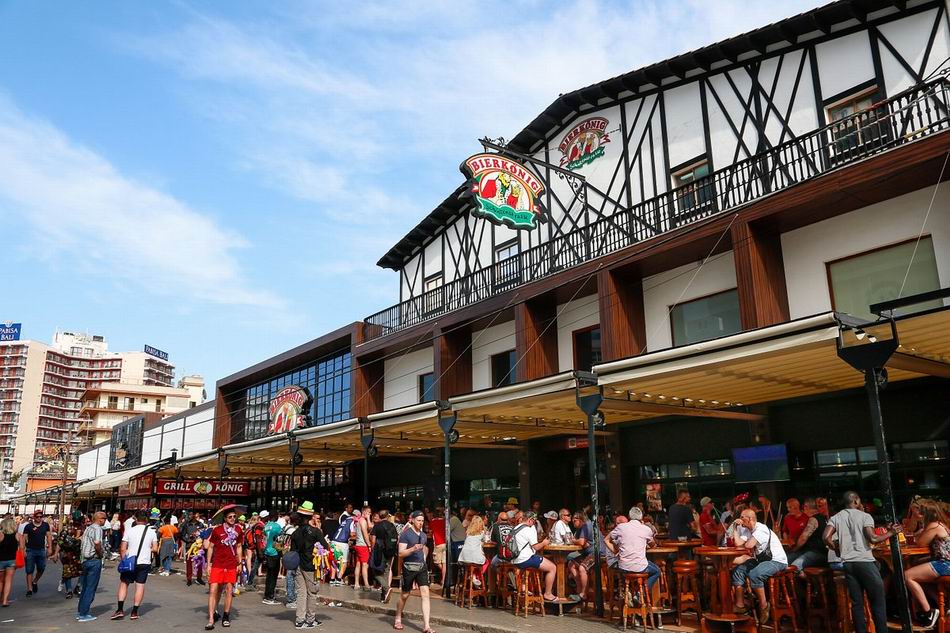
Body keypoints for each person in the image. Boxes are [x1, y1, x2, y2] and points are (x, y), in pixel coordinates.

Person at [823, 491, 898, 633]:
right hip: (865, 562)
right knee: (877, 601)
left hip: (848, 564)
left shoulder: (836, 517)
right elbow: (873, 539)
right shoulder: (865, 516)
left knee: (857, 603)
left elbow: (826, 537)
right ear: (856, 501)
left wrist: (837, 548)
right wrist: (891, 533)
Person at [731, 508, 788, 622]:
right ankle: (740, 605)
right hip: (762, 560)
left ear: (750, 519)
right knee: (739, 570)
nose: (740, 519)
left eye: (743, 517)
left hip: (777, 561)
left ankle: (764, 606)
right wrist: (735, 528)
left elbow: (748, 545)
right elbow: (738, 544)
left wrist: (745, 554)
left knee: (755, 574)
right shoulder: (747, 529)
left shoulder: (761, 529)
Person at [902, 498, 950, 629]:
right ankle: (943, 606)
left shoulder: (933, 525)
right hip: (944, 562)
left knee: (906, 576)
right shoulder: (941, 524)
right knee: (918, 575)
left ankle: (929, 612)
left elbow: (920, 543)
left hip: (945, 564)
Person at [111, 510, 158, 621]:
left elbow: (122, 548)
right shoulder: (152, 532)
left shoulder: (130, 531)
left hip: (130, 561)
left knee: (124, 584)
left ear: (136, 519)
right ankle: (134, 612)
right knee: (140, 585)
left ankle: (120, 610)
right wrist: (147, 550)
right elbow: (155, 549)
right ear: (146, 520)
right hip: (144, 562)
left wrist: (124, 560)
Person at [290, 502, 330, 629]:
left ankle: (299, 620)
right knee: (312, 593)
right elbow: (325, 546)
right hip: (311, 565)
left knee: (301, 593)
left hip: (298, 565)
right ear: (311, 516)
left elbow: (293, 550)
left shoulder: (295, 533)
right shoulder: (315, 531)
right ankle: (310, 619)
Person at [205, 508, 244, 630]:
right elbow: (210, 547)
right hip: (217, 564)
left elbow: (238, 546)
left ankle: (226, 616)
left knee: (229, 590)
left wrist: (240, 562)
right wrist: (208, 564)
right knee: (213, 590)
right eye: (230, 517)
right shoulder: (217, 530)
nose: (233, 519)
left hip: (231, 564)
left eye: (234, 516)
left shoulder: (238, 530)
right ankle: (211, 618)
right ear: (225, 518)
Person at [394, 511, 432, 633]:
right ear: (413, 520)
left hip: (421, 567)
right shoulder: (406, 534)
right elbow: (400, 553)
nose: (420, 523)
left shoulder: (424, 536)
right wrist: (412, 548)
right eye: (418, 520)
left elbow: (424, 549)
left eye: (422, 520)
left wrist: (424, 558)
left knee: (425, 594)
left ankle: (426, 625)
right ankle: (398, 617)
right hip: (409, 567)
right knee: (405, 595)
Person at [606, 507, 660, 593]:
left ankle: (631, 593)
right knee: (657, 571)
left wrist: (616, 550)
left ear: (629, 517)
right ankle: (640, 593)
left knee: (629, 571)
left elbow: (606, 539)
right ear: (641, 518)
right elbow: (652, 545)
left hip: (623, 567)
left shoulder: (621, 527)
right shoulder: (646, 529)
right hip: (640, 566)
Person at [509, 512, 557, 601]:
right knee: (552, 567)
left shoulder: (516, 528)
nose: (534, 523)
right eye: (534, 521)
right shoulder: (529, 529)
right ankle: (548, 594)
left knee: (537, 561)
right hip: (525, 559)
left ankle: (523, 587)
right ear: (530, 520)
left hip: (515, 560)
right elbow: (536, 547)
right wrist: (544, 543)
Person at [76, 511, 106, 622]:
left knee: (85, 587)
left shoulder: (89, 528)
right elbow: (97, 543)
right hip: (93, 560)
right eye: (104, 518)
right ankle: (84, 614)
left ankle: (80, 611)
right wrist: (101, 554)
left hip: (85, 560)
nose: (105, 520)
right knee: (90, 588)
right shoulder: (98, 529)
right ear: (99, 519)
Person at [787, 499, 828, 573]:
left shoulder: (814, 519)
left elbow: (803, 538)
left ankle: (810, 583)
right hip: (819, 552)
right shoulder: (824, 517)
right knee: (786, 560)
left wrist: (795, 548)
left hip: (818, 552)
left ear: (806, 507)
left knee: (795, 566)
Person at [20, 509, 52, 596]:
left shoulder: (45, 525)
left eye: (41, 516)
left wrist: (50, 548)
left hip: (41, 550)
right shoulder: (28, 526)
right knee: (29, 570)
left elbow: (49, 536)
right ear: (34, 517)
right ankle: (29, 589)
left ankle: (35, 581)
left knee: (41, 568)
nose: (39, 518)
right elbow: (23, 538)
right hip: (30, 550)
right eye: (37, 516)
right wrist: (23, 550)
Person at [370, 509, 398, 603]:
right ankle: (383, 596)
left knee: (375, 571)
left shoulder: (377, 526)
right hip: (390, 551)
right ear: (387, 516)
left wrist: (372, 550)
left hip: (379, 551)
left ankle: (386, 588)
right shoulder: (392, 525)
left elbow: (373, 540)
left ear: (380, 516)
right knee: (386, 571)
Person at [567, 511, 594, 601]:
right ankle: (579, 591)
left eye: (575, 520)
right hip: (587, 553)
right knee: (571, 564)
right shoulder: (580, 528)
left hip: (597, 553)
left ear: (581, 520)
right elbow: (581, 542)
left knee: (582, 568)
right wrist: (577, 540)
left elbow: (581, 542)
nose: (573, 521)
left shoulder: (586, 525)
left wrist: (574, 540)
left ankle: (583, 595)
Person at [457, 513, 488, 589]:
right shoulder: (482, 533)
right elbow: (486, 540)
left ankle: (472, 576)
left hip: (463, 558)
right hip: (474, 558)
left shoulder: (468, 533)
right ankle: (477, 577)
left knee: (474, 563)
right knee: (486, 562)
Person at [53, 521, 82, 598]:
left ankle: (78, 586)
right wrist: (56, 554)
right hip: (66, 554)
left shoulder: (83, 530)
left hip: (77, 554)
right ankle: (69, 590)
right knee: (67, 572)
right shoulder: (65, 531)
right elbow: (59, 543)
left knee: (82, 571)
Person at [261, 511, 283, 606]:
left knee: (269, 575)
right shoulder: (277, 527)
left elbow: (264, 539)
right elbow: (280, 539)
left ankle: (267, 595)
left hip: (267, 551)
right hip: (274, 552)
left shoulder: (266, 526)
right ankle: (270, 596)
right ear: (276, 517)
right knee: (273, 576)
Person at [328, 508, 353, 587]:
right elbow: (352, 534)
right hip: (342, 543)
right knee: (344, 562)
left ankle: (332, 579)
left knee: (334, 561)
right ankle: (339, 579)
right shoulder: (352, 521)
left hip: (334, 541)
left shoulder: (344, 521)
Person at [353, 505, 372, 591]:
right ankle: (366, 584)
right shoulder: (363, 521)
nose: (370, 514)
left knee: (358, 564)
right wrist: (369, 545)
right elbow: (365, 533)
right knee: (365, 565)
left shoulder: (358, 521)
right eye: (369, 512)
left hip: (357, 544)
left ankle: (356, 583)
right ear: (364, 512)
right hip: (363, 545)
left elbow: (369, 527)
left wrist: (368, 519)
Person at [0, 517, 18, 607]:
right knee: (8, 580)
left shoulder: (0, 535)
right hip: (12, 560)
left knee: (0, 581)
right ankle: (5, 600)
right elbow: (22, 548)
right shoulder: (17, 535)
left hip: (0, 560)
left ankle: (1, 598)